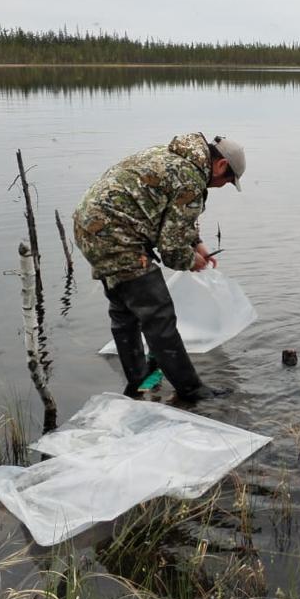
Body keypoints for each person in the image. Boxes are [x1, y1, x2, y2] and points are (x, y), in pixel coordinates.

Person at [73, 132, 245, 402]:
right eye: (227, 181)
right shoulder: (191, 177)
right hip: (118, 236)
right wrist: (191, 261)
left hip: (90, 228)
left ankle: (139, 380)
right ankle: (192, 391)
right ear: (221, 165)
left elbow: (170, 211)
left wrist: (196, 242)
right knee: (159, 316)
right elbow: (171, 250)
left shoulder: (175, 157)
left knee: (123, 309)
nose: (222, 186)